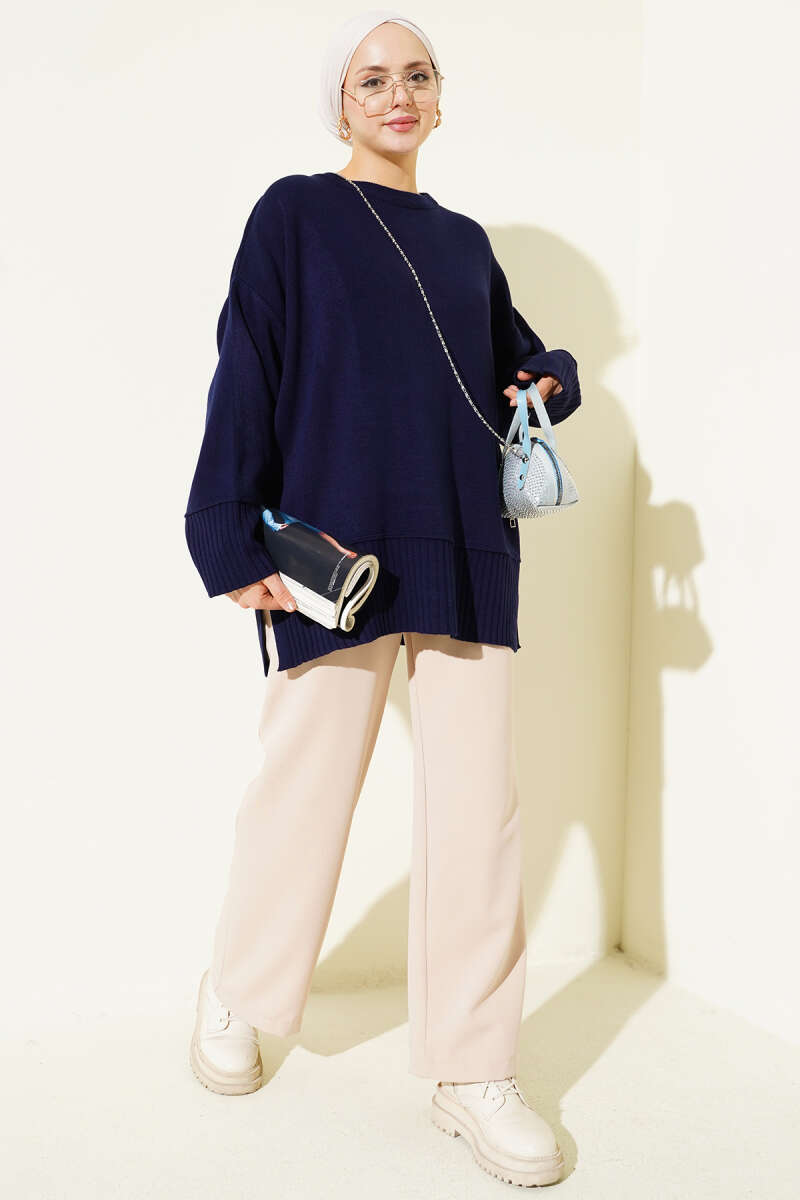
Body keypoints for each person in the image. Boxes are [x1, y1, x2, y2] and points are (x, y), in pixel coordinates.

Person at [184, 8, 581, 1189]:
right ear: (340, 103)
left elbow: (516, 360)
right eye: (372, 80)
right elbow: (245, 367)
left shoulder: (462, 243)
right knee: (302, 793)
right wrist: (226, 530)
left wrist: (550, 375)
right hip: (332, 550)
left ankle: (472, 1068)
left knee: (477, 815)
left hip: (462, 541)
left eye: (416, 75)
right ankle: (240, 990)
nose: (397, 94)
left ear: (439, 97)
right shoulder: (295, 214)